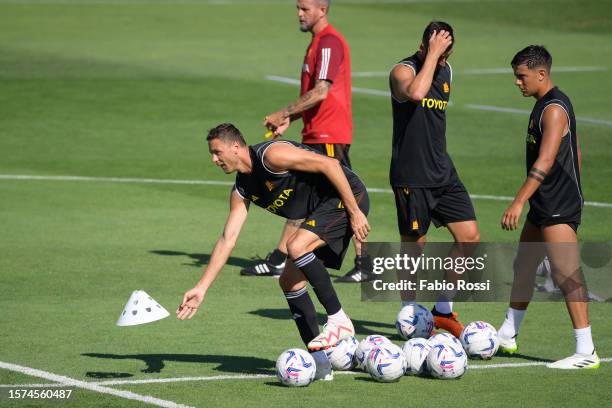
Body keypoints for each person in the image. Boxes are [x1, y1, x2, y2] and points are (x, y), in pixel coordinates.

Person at [177, 123, 370, 380]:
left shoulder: (271, 156)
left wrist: (355, 212)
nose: (214, 159)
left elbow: (331, 165)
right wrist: (201, 288)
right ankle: (320, 362)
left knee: (296, 245)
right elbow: (227, 239)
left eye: (217, 152)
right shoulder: (241, 189)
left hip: (347, 198)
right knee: (289, 281)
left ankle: (338, 319)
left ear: (235, 147)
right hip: (319, 211)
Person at [240, 0, 371, 283]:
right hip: (317, 132)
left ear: (322, 10)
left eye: (305, 8)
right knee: (309, 196)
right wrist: (293, 119)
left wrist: (284, 111)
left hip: (329, 134)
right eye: (298, 8)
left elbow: (322, 90)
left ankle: (363, 262)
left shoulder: (328, 43)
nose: (299, 14)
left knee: (338, 193)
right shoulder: (316, 43)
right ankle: (282, 258)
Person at [498, 45, 599, 369]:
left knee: (566, 274)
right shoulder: (543, 104)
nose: (517, 82)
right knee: (524, 266)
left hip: (557, 204)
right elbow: (576, 152)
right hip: (546, 202)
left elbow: (545, 160)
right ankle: (508, 334)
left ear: (541, 74)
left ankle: (586, 351)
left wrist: (518, 200)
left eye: (521, 76)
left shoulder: (553, 109)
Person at [388, 21, 480, 338]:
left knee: (469, 237)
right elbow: (415, 93)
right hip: (411, 174)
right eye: (439, 51)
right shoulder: (402, 71)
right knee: (415, 246)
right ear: (424, 45)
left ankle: (442, 309)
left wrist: (440, 59)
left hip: (443, 172)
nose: (443, 60)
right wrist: (432, 56)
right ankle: (409, 313)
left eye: (447, 53)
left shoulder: (447, 70)